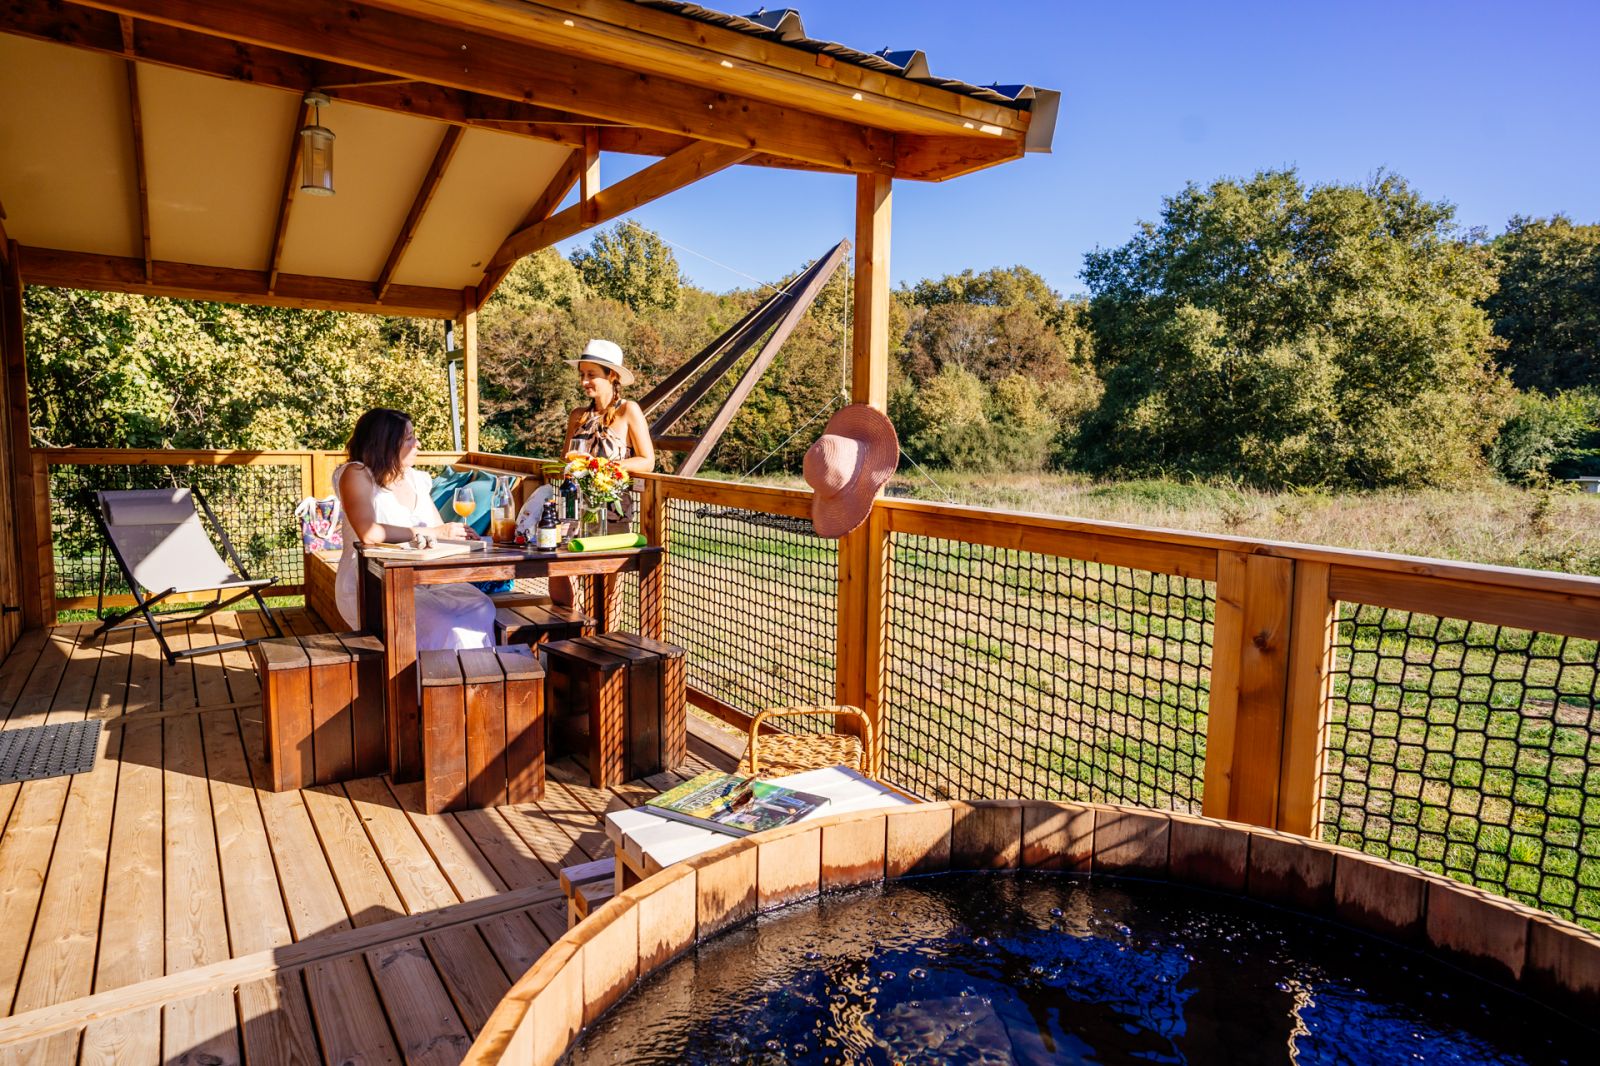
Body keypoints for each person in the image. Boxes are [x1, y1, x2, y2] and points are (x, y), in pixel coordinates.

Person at [332, 408, 496, 650]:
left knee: (481, 606)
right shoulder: (356, 474)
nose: (417, 443)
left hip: (424, 577)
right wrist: (436, 533)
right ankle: (433, 673)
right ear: (385, 443)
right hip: (373, 582)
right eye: (409, 438)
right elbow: (369, 533)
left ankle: (470, 672)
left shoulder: (415, 479)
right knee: (445, 621)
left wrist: (457, 534)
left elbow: (437, 528)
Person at [551, 339, 655, 606]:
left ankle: (603, 633)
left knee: (608, 594)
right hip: (573, 511)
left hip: (612, 514)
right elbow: (565, 461)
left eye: (591, 375)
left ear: (612, 376)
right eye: (582, 375)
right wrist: (572, 467)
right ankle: (572, 629)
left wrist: (603, 467)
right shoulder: (577, 415)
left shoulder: (629, 410)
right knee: (561, 574)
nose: (584, 381)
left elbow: (647, 461)